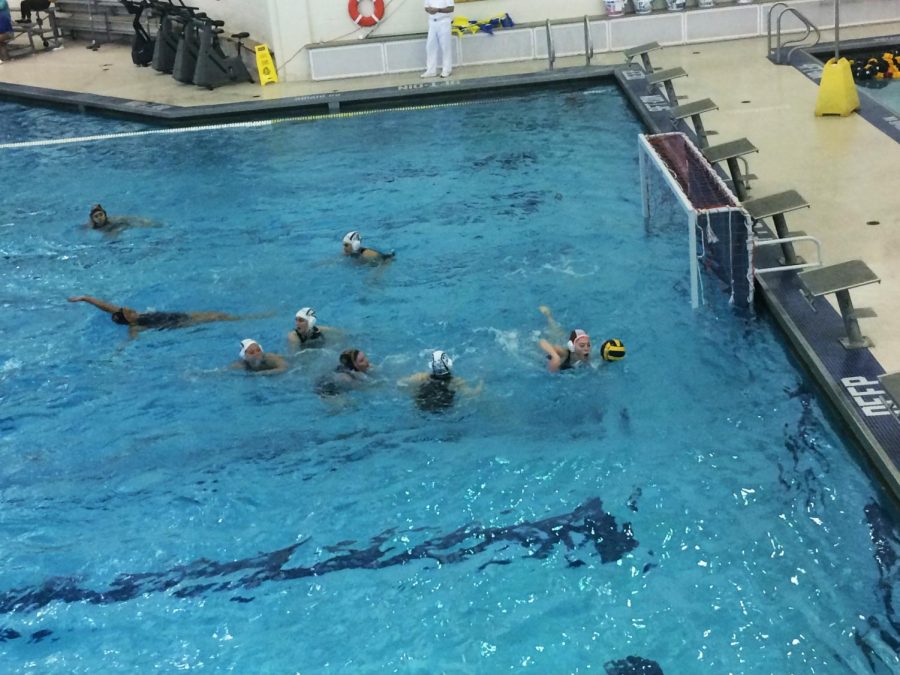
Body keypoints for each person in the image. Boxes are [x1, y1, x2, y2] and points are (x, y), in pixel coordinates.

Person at [67, 295, 242, 333]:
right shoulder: (135, 326)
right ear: (126, 319)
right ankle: (248, 319)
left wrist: (85, 298)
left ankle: (242, 319)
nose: (129, 308)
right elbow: (129, 343)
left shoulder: (132, 316)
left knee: (216, 314)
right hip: (178, 324)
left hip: (178, 315)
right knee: (216, 317)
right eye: (127, 311)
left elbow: (105, 306)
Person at [398, 350, 482, 413]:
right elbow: (471, 394)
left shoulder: (421, 377)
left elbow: (401, 384)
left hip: (422, 409)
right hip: (444, 411)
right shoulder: (455, 382)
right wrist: (481, 383)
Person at [537, 306, 592, 372]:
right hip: (556, 344)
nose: (586, 348)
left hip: (566, 343)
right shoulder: (564, 353)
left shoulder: (588, 356)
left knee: (560, 333)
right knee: (555, 330)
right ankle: (548, 315)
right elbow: (542, 342)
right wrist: (555, 357)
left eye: (588, 345)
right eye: (582, 345)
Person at [421, 0, 454, 78]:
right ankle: (431, 70)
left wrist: (438, 10)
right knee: (430, 47)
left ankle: (447, 70)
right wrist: (430, 10)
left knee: (445, 47)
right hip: (432, 23)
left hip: (444, 22)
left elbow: (451, 8)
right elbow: (426, 7)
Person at [86, 204, 160, 234]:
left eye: (101, 214)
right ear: (92, 219)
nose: (99, 218)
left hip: (121, 225)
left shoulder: (113, 220)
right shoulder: (91, 226)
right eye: (96, 216)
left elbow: (129, 218)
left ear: (105, 215)